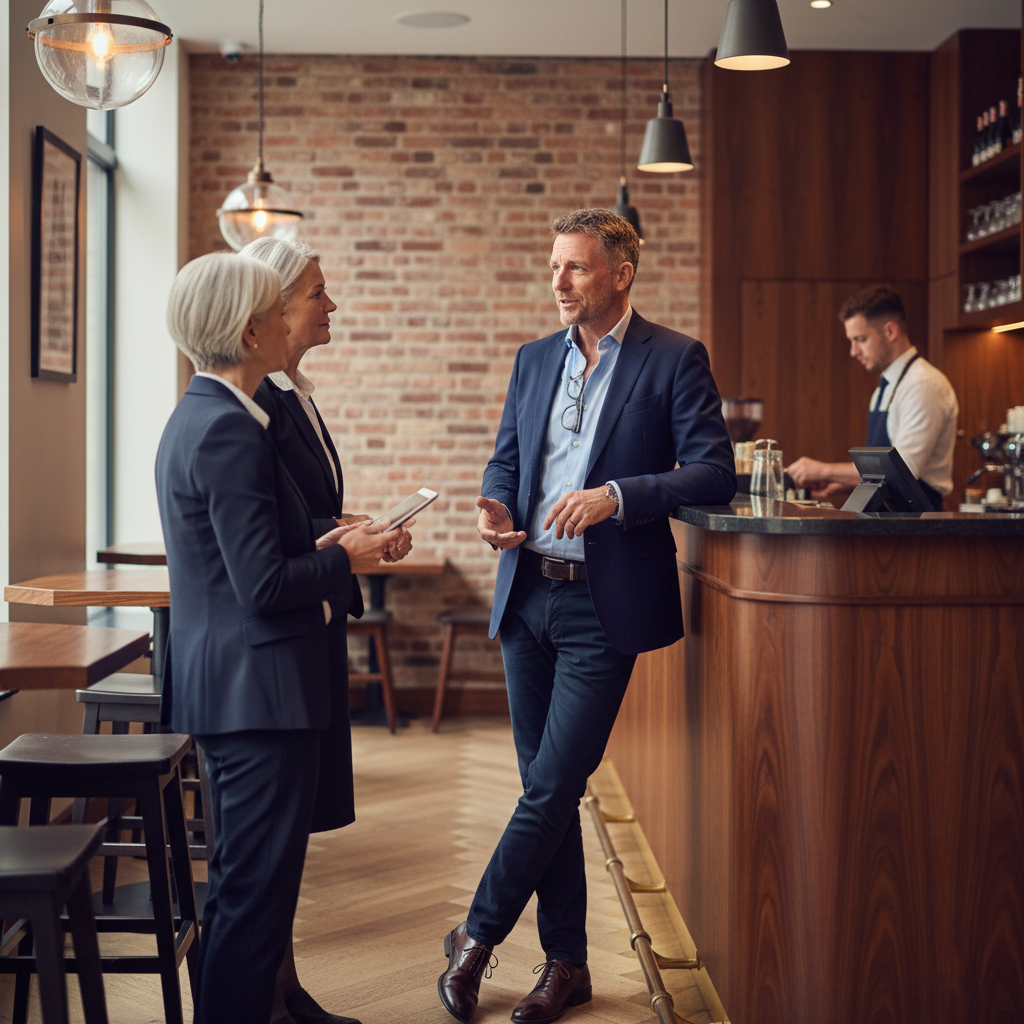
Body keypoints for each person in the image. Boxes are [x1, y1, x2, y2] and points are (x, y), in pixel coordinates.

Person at [436, 209, 736, 1024]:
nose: (558, 281)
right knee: (549, 787)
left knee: (555, 780)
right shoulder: (534, 360)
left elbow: (715, 474)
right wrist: (494, 504)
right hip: (525, 586)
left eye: (574, 268)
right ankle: (567, 962)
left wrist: (620, 497)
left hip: (605, 603)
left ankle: (477, 935)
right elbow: (508, 456)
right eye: (554, 265)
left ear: (620, 274)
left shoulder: (675, 358)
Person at [155, 252, 392, 1024]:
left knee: (243, 891)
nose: (283, 320)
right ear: (248, 327)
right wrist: (346, 557)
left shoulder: (211, 414)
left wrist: (330, 544)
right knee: (254, 904)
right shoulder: (227, 429)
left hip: (240, 689)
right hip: (257, 693)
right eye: (272, 309)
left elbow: (252, 563)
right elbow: (262, 588)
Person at [240, 236, 414, 1024]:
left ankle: (283, 991)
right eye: (318, 291)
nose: (330, 304)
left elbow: (287, 515)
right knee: (266, 854)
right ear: (274, 306)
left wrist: (345, 527)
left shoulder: (290, 391)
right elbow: (261, 538)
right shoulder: (251, 406)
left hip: (303, 631)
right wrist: (344, 542)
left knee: (284, 847)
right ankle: (268, 996)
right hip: (273, 642)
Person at [785, 286, 958, 510]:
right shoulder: (885, 388)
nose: (853, 351)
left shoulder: (923, 384)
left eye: (860, 339)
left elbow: (903, 470)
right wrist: (841, 484)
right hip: (886, 525)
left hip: (917, 528)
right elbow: (881, 476)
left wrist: (824, 470)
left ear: (890, 331)